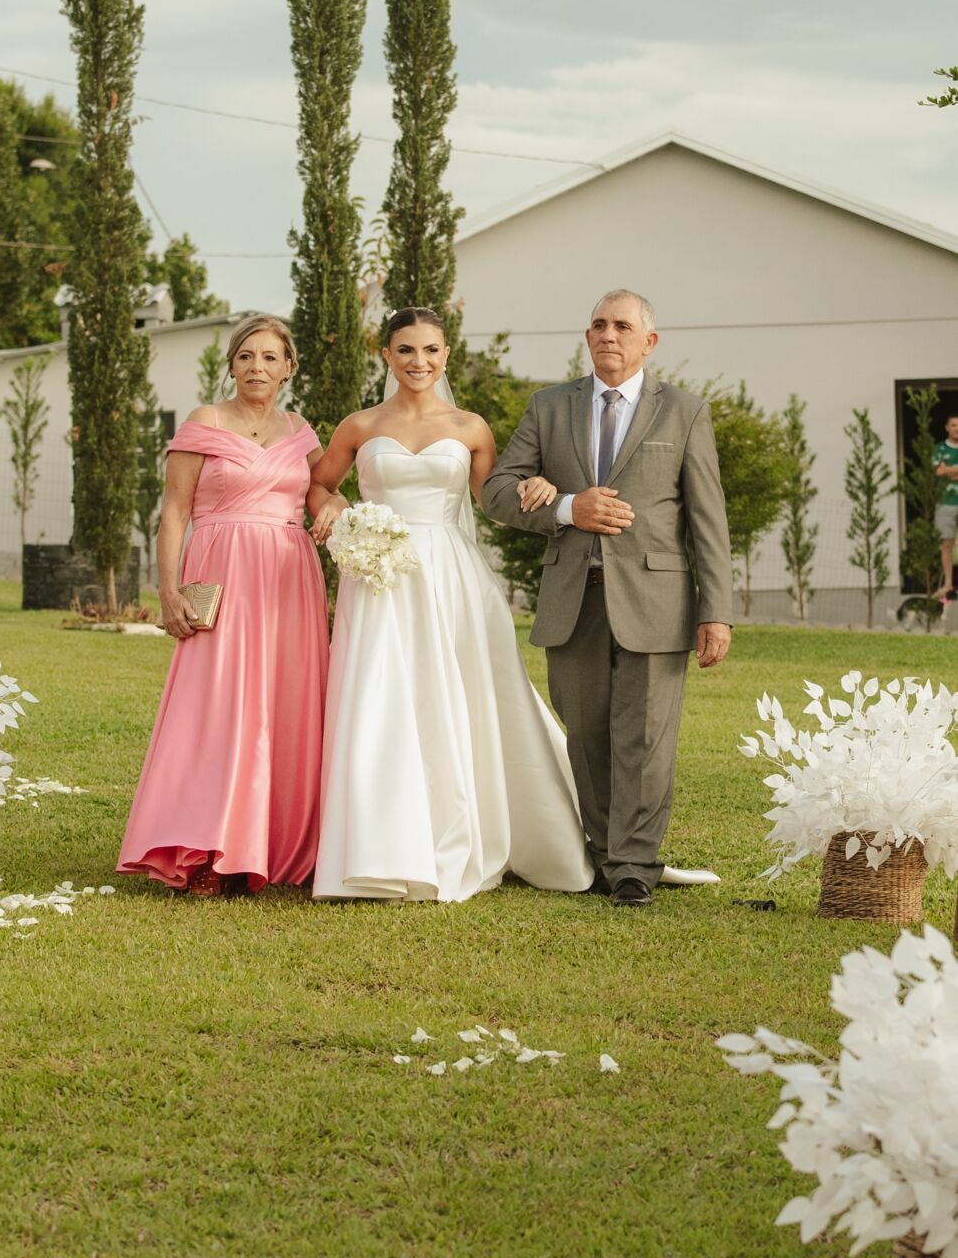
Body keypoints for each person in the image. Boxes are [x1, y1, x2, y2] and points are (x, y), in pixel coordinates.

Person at [307, 307, 593, 903]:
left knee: (460, 698)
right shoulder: (357, 426)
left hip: (451, 575)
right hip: (379, 577)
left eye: (431, 350)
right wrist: (330, 510)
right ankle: (380, 847)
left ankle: (468, 830)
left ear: (445, 356)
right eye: (406, 350)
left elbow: (492, 500)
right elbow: (320, 483)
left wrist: (535, 488)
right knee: (381, 698)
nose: (420, 362)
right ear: (386, 356)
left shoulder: (470, 427)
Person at [482, 289, 733, 909]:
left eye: (623, 325)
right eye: (598, 324)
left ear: (650, 341)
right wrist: (567, 507)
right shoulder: (549, 406)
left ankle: (634, 865)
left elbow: (709, 519)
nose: (608, 335)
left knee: (645, 738)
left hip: (658, 600)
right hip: (574, 600)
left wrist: (716, 610)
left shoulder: (684, 411)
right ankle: (600, 853)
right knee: (586, 735)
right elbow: (496, 490)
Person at [117, 315, 329, 895]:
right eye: (246, 357)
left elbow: (318, 493)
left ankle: (273, 844)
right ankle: (207, 846)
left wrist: (334, 509)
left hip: (289, 581)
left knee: (283, 705)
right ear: (231, 364)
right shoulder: (203, 423)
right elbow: (175, 512)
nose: (256, 368)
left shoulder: (300, 431)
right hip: (222, 573)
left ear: (289, 369)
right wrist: (167, 589)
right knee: (216, 709)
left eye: (269, 358)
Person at [933, 413, 958, 601]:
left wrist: (949, 469)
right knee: (946, 544)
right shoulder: (939, 448)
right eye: (954, 425)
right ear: (947, 428)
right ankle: (948, 582)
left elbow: (945, 470)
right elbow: (939, 471)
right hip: (945, 502)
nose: (957, 428)